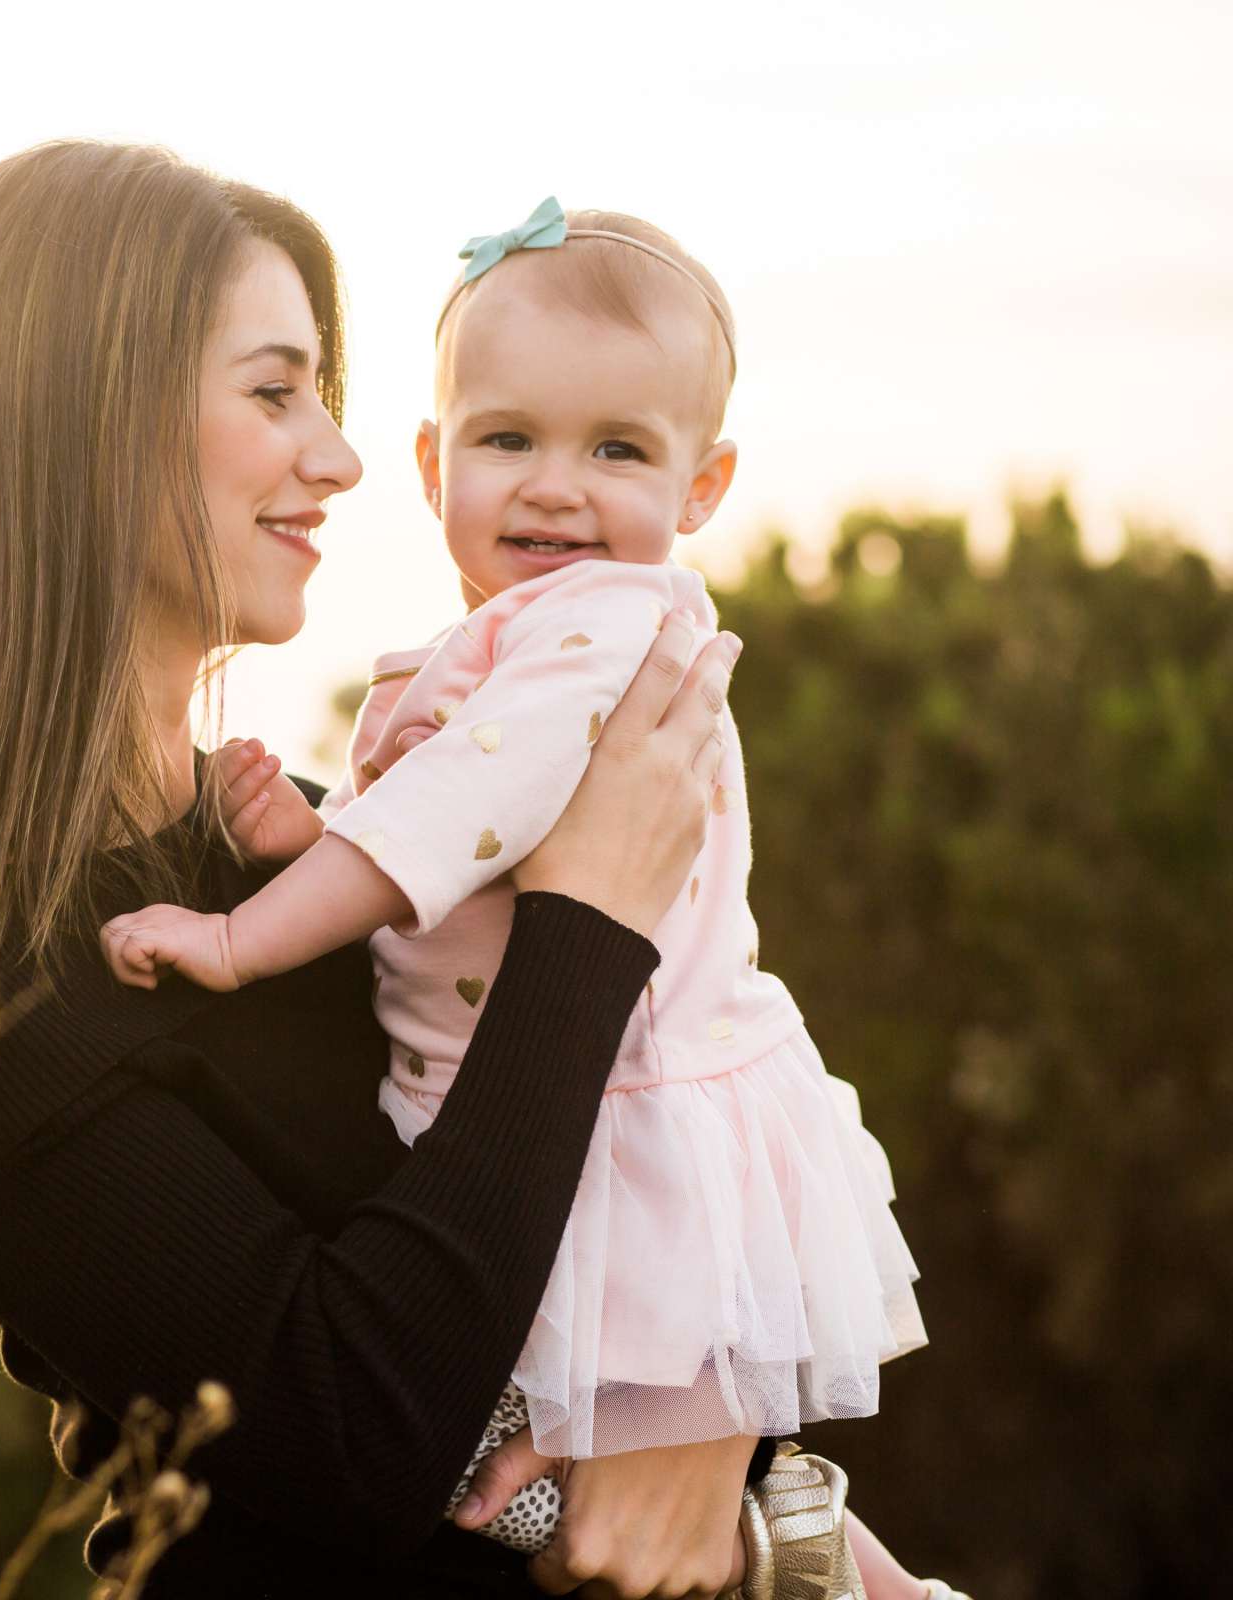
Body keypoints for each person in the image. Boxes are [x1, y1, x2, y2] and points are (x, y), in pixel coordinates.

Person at [0, 142, 759, 1597]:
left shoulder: (328, 853)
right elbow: (350, 1436)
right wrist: (587, 925)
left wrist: (729, 1435)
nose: (336, 461)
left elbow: (641, 1183)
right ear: (69, 425)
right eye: (275, 395)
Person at [99, 200, 929, 1591]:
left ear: (703, 486)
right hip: (551, 1125)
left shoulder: (604, 625)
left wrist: (248, 930)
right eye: (508, 440)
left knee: (627, 1422)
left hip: (635, 1111)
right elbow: (458, 855)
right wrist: (318, 838)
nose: (556, 487)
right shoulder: (503, 645)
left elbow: (462, 820)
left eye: (617, 449)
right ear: (440, 465)